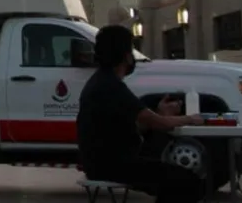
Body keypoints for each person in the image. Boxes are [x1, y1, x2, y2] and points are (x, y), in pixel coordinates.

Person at [77, 25, 206, 203]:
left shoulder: (102, 82)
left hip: (104, 162)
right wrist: (191, 119)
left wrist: (161, 113)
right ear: (125, 55)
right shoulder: (110, 86)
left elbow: (137, 123)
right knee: (188, 181)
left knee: (174, 178)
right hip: (112, 165)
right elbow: (159, 123)